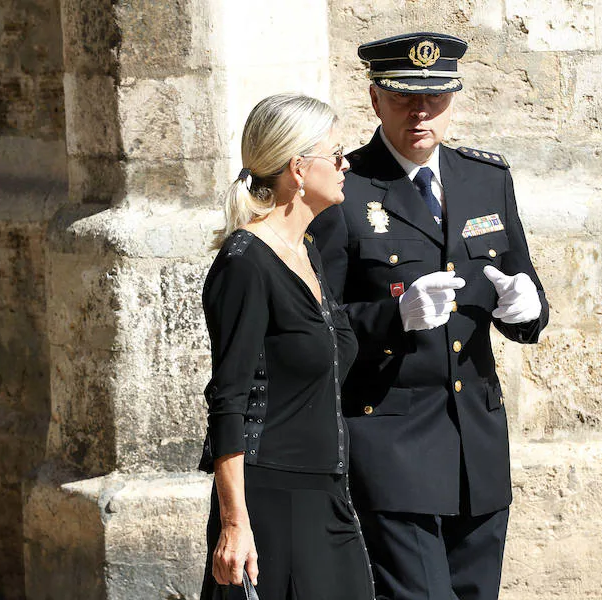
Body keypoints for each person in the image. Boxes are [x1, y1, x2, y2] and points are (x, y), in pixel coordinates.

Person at [309, 33, 549, 600]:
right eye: (402, 99)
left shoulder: (484, 178)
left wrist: (528, 308)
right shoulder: (346, 187)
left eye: (435, 100)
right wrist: (394, 317)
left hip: (477, 445)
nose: (420, 114)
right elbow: (320, 322)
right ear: (375, 100)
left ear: (453, 101)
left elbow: (520, 282)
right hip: (393, 440)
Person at [198, 93, 374, 600]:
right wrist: (235, 523)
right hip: (269, 500)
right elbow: (229, 400)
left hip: (327, 490)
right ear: (299, 169)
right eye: (335, 155)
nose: (345, 166)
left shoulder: (308, 250)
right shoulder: (245, 262)